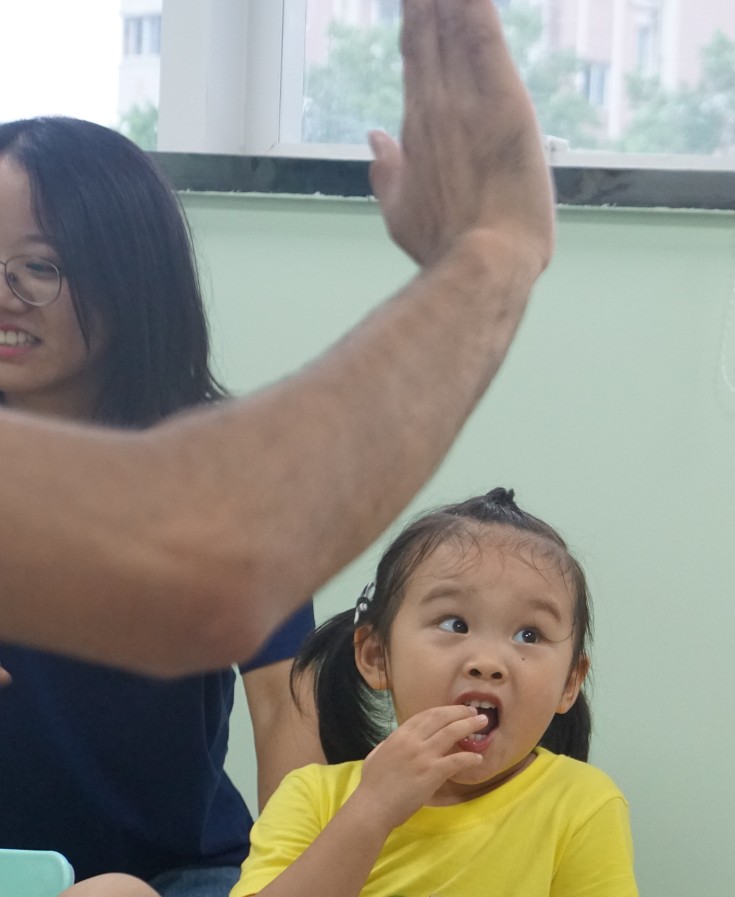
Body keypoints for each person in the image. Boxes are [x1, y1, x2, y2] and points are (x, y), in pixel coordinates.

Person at [0, 0, 555, 678]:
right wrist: (496, 250)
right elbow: (212, 567)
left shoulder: (202, 450)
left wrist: (492, 251)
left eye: (39, 266)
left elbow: (235, 598)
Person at [0, 116, 322, 897]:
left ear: (129, 272)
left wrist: (290, 879)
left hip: (180, 870)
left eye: (38, 267)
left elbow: (285, 708)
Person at [61, 489, 634, 897]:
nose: (489, 662)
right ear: (376, 656)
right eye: (454, 624)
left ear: (569, 683)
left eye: (529, 635)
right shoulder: (316, 796)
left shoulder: (580, 804)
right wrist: (373, 811)